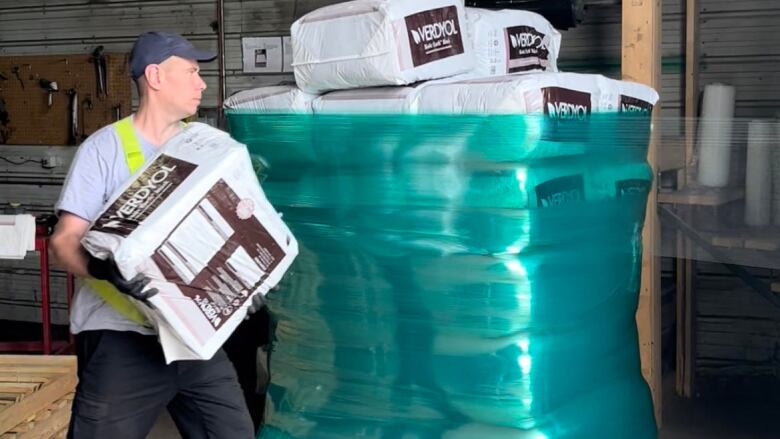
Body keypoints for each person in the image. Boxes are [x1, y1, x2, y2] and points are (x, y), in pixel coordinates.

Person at [50, 31, 256, 439]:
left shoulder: (209, 147)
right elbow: (64, 240)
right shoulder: (104, 149)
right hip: (121, 338)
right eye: (193, 72)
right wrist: (101, 269)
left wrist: (248, 284)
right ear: (156, 76)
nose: (202, 83)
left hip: (194, 339)